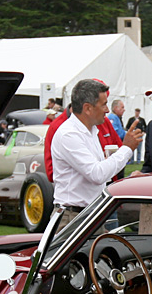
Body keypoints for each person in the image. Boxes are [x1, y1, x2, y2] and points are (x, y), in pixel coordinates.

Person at [51, 79, 142, 229]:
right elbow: (97, 174)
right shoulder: (69, 134)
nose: (107, 110)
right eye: (104, 104)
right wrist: (126, 148)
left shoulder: (91, 131)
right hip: (73, 218)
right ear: (87, 108)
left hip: (89, 214)